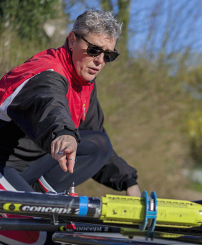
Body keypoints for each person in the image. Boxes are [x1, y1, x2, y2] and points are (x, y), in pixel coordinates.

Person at [0, 9, 142, 244]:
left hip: (25, 170)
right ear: (72, 40)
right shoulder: (46, 72)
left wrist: (128, 181)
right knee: (44, 237)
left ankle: (42, 204)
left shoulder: (85, 84)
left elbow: (97, 144)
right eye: (94, 50)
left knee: (98, 143)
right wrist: (64, 134)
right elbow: (49, 105)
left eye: (108, 55)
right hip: (3, 165)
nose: (99, 61)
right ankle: (38, 212)